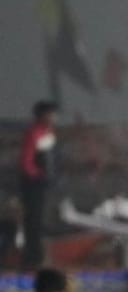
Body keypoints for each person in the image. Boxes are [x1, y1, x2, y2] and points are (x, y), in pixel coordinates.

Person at [18, 100, 56, 269]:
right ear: (42, 115)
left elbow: (49, 158)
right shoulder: (34, 133)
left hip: (43, 182)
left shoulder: (48, 133)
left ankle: (38, 255)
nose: (54, 117)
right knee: (32, 220)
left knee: (40, 220)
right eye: (50, 114)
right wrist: (38, 175)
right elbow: (27, 162)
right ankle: (31, 257)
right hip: (33, 183)